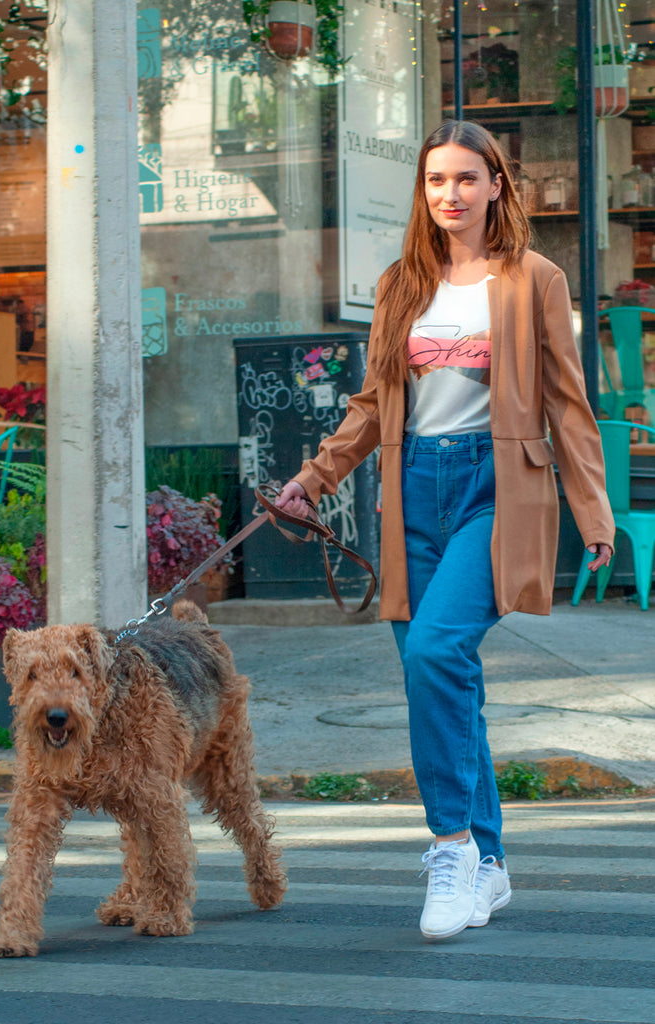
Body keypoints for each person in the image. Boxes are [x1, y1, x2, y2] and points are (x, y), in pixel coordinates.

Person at [276, 119, 615, 941]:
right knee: (444, 681)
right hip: (412, 491)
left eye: (466, 179)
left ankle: (451, 846)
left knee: (434, 651)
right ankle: (490, 866)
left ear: (496, 185)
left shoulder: (533, 278)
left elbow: (567, 399)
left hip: (495, 487)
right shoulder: (401, 284)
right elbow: (370, 402)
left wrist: (592, 507)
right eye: (436, 181)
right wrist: (312, 480)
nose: (450, 195)